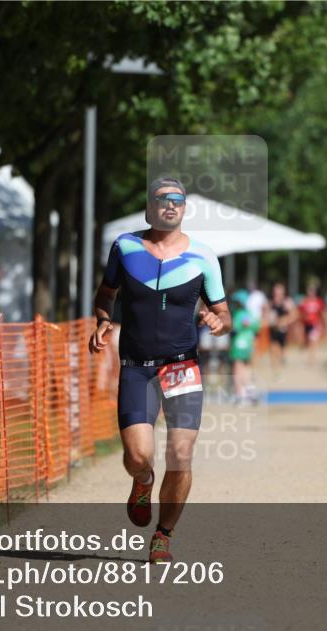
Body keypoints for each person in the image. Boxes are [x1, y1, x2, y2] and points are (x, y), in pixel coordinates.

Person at [88, 176, 231, 564]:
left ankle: (163, 536)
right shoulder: (125, 247)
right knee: (138, 456)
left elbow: (224, 313)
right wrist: (103, 321)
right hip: (137, 367)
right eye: (163, 199)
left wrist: (218, 321)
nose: (170, 205)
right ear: (150, 207)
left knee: (181, 455)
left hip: (182, 366)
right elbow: (106, 293)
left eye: (177, 200)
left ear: (184, 208)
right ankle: (143, 480)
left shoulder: (204, 256)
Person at [229, 289, 261, 404]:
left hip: (239, 343)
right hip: (249, 343)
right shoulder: (250, 314)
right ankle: (249, 390)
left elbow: (234, 329)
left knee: (237, 368)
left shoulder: (238, 314)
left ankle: (239, 393)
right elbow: (257, 328)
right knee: (246, 367)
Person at [267, 282, 297, 375]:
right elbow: (266, 314)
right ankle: (275, 371)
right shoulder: (271, 302)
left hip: (283, 330)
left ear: (283, 293)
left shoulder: (287, 302)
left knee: (281, 350)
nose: (277, 294)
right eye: (275, 292)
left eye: (279, 292)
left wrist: (285, 321)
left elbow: (295, 315)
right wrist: (269, 319)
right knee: (272, 349)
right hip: (273, 329)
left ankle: (280, 365)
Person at [299, 283, 326, 365]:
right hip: (306, 324)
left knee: (313, 341)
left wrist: (322, 324)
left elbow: (322, 313)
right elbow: (300, 313)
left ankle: (311, 359)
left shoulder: (319, 301)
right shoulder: (304, 301)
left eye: (312, 291)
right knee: (307, 342)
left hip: (315, 325)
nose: (311, 293)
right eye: (310, 291)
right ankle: (310, 356)